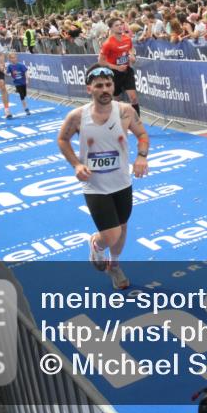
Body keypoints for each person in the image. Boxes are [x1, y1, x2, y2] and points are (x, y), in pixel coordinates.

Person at [56, 64, 150, 290]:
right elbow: (62, 140)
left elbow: (142, 134)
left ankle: (114, 265)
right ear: (90, 89)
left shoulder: (126, 111)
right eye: (99, 86)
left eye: (108, 85)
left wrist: (142, 157)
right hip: (95, 186)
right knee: (110, 235)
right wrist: (76, 164)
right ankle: (96, 246)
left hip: (121, 183)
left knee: (122, 229)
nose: (105, 89)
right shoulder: (78, 116)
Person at [98, 17, 141, 118]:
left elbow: (130, 50)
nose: (120, 27)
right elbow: (101, 61)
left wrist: (132, 56)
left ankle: (136, 121)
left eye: (120, 24)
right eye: (116, 25)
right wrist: (116, 68)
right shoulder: (108, 43)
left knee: (133, 98)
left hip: (127, 71)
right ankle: (115, 119)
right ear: (111, 28)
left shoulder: (127, 38)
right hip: (114, 73)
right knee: (116, 98)